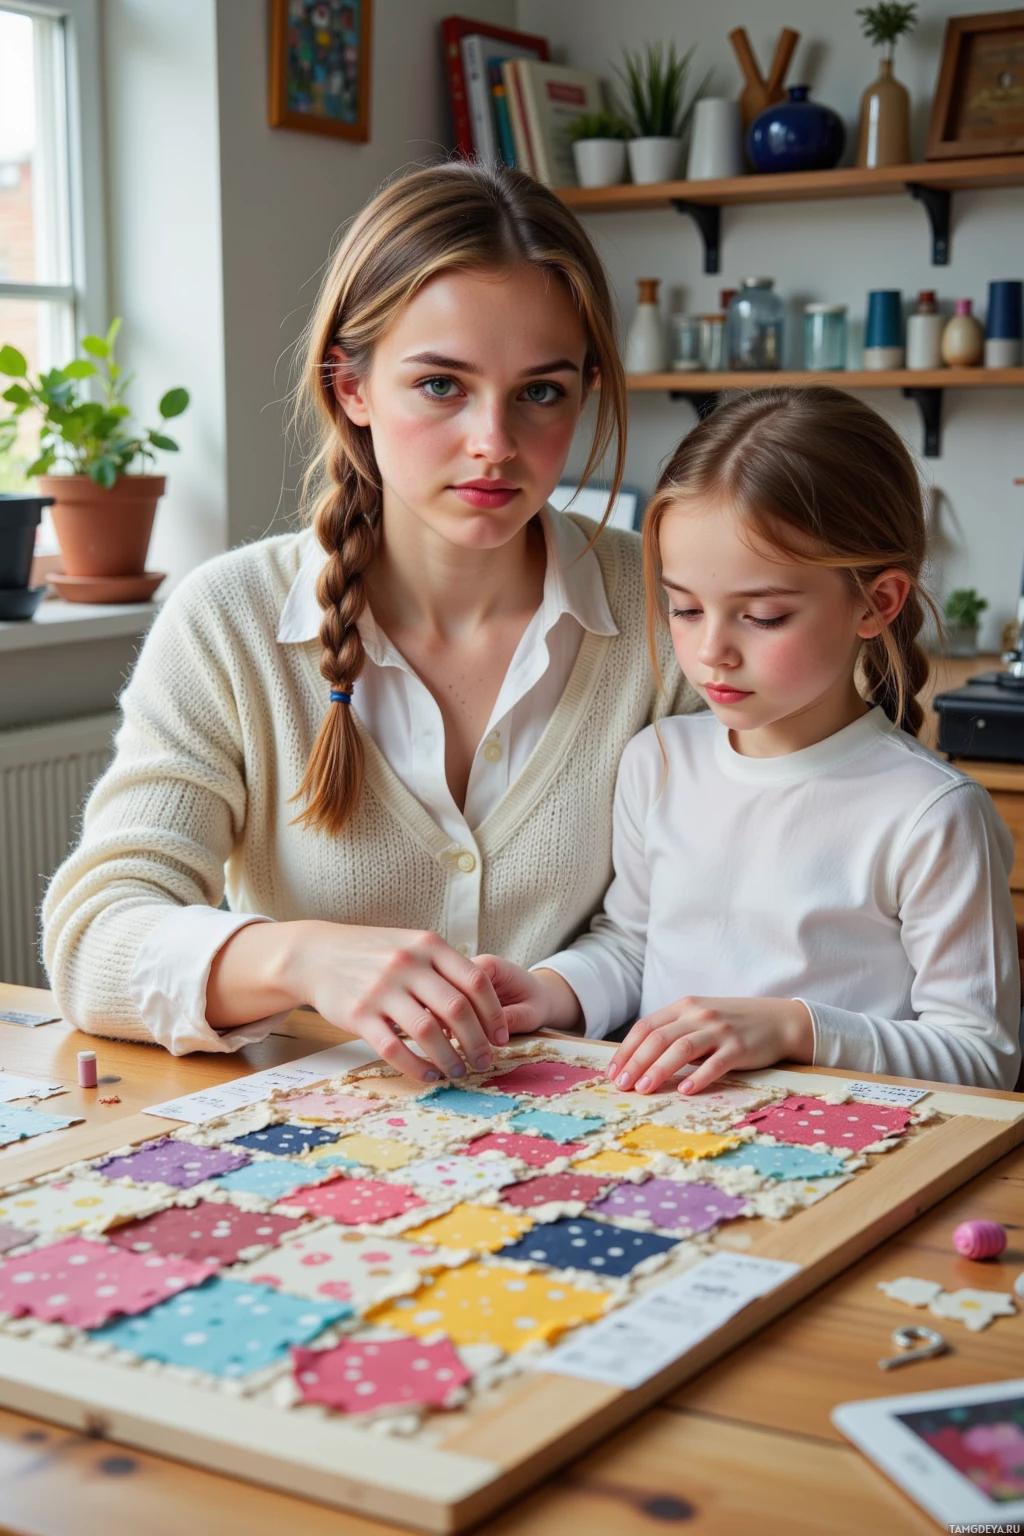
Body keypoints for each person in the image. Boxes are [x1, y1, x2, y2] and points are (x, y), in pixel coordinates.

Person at [42, 161, 696, 1072]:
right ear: (351, 387)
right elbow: (95, 939)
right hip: (308, 1157)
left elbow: (720, 921)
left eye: (541, 391)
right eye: (440, 385)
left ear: (585, 390)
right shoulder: (227, 620)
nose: (494, 443)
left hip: (602, 1149)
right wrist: (302, 956)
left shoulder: (675, 612)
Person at [478, 388, 1021, 1092]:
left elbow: (982, 1057)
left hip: (846, 1159)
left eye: (762, 616)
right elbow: (633, 946)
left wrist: (795, 1027)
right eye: (684, 608)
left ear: (876, 602)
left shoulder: (933, 814)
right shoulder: (661, 761)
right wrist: (551, 991)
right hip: (666, 1145)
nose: (711, 653)